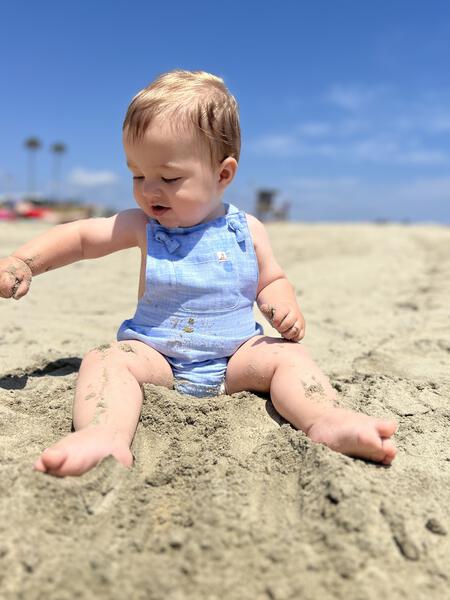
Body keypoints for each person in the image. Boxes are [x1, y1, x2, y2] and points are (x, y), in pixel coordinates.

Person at [0, 70, 397, 477]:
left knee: (289, 357)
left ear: (223, 174)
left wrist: (281, 301)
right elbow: (83, 238)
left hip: (235, 358)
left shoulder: (247, 229)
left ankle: (325, 418)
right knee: (107, 359)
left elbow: (272, 278)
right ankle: (103, 434)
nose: (149, 190)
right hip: (158, 357)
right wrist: (25, 262)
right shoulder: (143, 225)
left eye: (169, 178)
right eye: (138, 175)